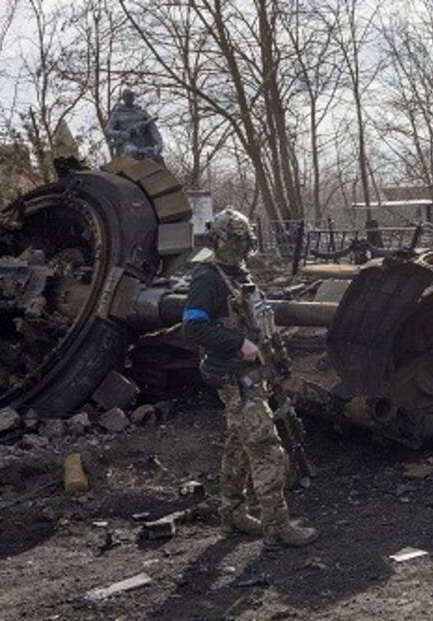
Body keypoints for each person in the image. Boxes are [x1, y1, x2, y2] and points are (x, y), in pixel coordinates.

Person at [182, 209, 317, 548]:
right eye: (235, 241)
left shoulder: (240, 274)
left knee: (239, 447)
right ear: (219, 241)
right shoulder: (208, 278)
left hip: (253, 374)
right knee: (267, 449)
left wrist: (277, 361)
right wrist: (237, 343)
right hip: (234, 376)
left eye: (244, 242)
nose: (240, 248)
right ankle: (277, 526)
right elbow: (193, 327)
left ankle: (232, 514)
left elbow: (260, 322)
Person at [104, 89, 164, 163]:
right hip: (126, 144)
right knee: (132, 151)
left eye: (131, 96)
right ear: (123, 98)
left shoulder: (141, 112)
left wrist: (159, 143)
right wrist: (121, 134)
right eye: (127, 96)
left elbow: (152, 128)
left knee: (154, 155)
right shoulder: (117, 114)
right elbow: (108, 130)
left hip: (143, 144)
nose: (129, 98)